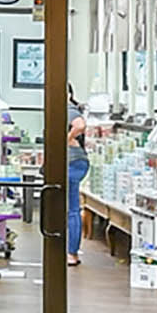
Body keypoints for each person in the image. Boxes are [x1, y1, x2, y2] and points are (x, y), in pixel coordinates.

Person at [66, 107, 92, 265]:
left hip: (72, 162)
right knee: (72, 208)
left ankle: (72, 253)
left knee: (72, 209)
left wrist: (67, 138)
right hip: (76, 162)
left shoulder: (68, 109)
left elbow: (80, 125)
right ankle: (71, 252)